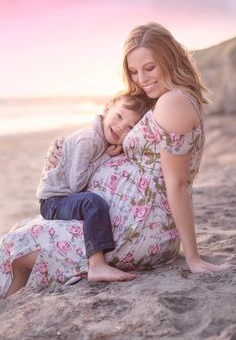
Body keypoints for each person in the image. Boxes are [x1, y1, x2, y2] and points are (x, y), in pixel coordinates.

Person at [0, 22, 229, 299]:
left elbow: (177, 183)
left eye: (150, 67)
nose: (142, 78)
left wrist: (193, 258)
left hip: (136, 231)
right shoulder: (164, 101)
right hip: (125, 225)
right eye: (134, 71)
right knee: (22, 232)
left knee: (16, 244)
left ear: (170, 59)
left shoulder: (173, 103)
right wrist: (63, 149)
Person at [37, 92, 151, 283]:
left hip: (61, 198)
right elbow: (76, 184)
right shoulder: (90, 139)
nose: (120, 127)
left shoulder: (100, 137)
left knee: (92, 203)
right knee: (94, 204)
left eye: (130, 127)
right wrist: (106, 157)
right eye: (118, 116)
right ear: (107, 109)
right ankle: (97, 265)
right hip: (53, 201)